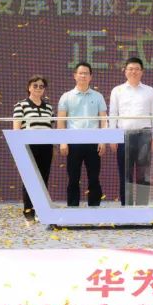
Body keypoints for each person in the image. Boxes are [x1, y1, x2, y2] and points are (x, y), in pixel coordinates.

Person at [108, 57, 153, 206]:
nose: (133, 72)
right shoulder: (117, 90)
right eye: (130, 69)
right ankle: (127, 207)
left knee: (143, 174)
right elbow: (113, 114)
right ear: (125, 71)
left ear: (142, 72)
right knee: (126, 174)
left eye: (137, 69)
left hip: (144, 136)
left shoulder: (150, 91)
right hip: (123, 135)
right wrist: (112, 137)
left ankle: (142, 207)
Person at [57, 62, 107, 207]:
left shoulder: (98, 96)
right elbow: (61, 121)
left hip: (93, 143)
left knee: (94, 178)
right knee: (73, 178)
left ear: (91, 76)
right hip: (73, 143)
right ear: (75, 75)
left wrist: (103, 141)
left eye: (86, 73)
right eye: (80, 73)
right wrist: (63, 142)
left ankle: (94, 208)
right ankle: (73, 209)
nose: (83, 76)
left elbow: (104, 121)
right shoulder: (66, 97)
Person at [13, 75, 55, 221]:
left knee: (43, 179)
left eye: (41, 86)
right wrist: (19, 148)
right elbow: (16, 129)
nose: (38, 88)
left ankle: (41, 211)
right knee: (29, 179)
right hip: (28, 147)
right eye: (35, 85)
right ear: (29, 87)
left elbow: (51, 127)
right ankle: (28, 211)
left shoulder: (49, 107)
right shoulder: (20, 105)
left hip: (46, 147)